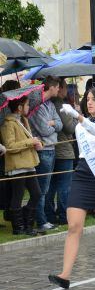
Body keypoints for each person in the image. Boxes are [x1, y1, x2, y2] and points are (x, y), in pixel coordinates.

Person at [48, 88, 95, 289]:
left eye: (93, 100)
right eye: (87, 99)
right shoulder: (80, 126)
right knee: (74, 226)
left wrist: (78, 117)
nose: (88, 103)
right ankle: (65, 274)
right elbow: (85, 133)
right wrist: (79, 119)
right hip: (82, 173)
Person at [1, 96, 43, 235]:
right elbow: (10, 146)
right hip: (17, 165)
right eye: (27, 105)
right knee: (17, 197)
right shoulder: (8, 123)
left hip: (29, 163)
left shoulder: (23, 121)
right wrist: (30, 142)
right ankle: (18, 228)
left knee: (36, 194)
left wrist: (36, 143)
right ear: (19, 107)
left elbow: (29, 140)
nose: (28, 107)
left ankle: (27, 224)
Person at [29, 76, 62, 233]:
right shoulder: (38, 106)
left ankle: (42, 218)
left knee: (46, 187)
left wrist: (53, 123)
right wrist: (52, 124)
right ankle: (40, 220)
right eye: (58, 87)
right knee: (41, 188)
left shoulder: (50, 104)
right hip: (43, 150)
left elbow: (60, 124)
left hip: (52, 148)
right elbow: (44, 129)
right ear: (52, 87)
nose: (59, 90)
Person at [46, 79, 77, 226]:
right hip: (63, 150)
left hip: (53, 148)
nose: (66, 90)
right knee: (64, 186)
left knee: (51, 185)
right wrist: (77, 116)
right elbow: (70, 127)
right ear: (60, 89)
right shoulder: (60, 105)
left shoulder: (48, 103)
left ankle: (49, 214)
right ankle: (64, 215)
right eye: (64, 87)